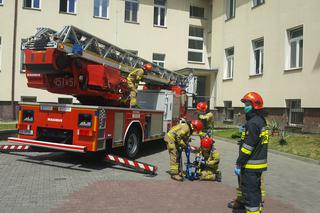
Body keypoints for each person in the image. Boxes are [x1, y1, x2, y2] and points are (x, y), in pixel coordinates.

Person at [232, 92, 269, 213]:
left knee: (250, 195)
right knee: (255, 192)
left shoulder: (253, 123)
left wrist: (239, 162)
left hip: (250, 165)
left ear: (255, 105)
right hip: (258, 163)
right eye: (245, 103)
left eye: (247, 103)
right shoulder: (260, 120)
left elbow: (248, 147)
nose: (245, 106)